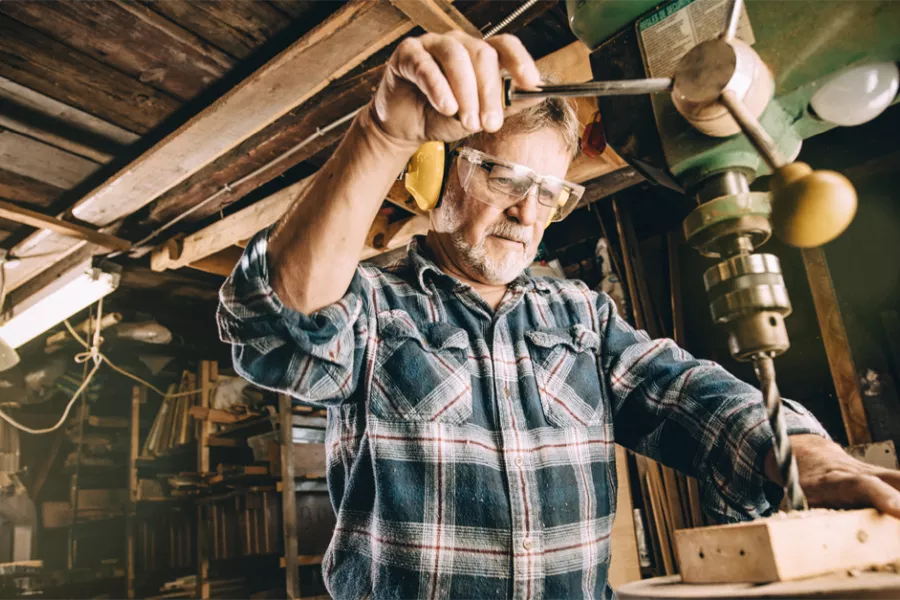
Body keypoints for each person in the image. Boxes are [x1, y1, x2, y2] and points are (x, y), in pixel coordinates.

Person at [218, 31, 900, 600]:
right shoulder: (369, 300)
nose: (527, 213)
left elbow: (686, 395)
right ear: (437, 173)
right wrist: (383, 130)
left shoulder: (579, 316)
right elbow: (278, 326)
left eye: (550, 193)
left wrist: (804, 455)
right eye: (504, 178)